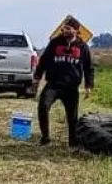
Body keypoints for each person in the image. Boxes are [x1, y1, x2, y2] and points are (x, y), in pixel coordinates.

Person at [33, 18, 94, 147]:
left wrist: (88, 86)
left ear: (75, 30)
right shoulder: (55, 43)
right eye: (64, 28)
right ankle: (45, 138)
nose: (64, 30)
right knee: (43, 106)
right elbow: (43, 60)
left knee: (72, 117)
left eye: (68, 28)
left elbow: (88, 67)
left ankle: (73, 143)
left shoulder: (82, 46)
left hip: (71, 87)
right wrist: (37, 77)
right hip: (53, 84)